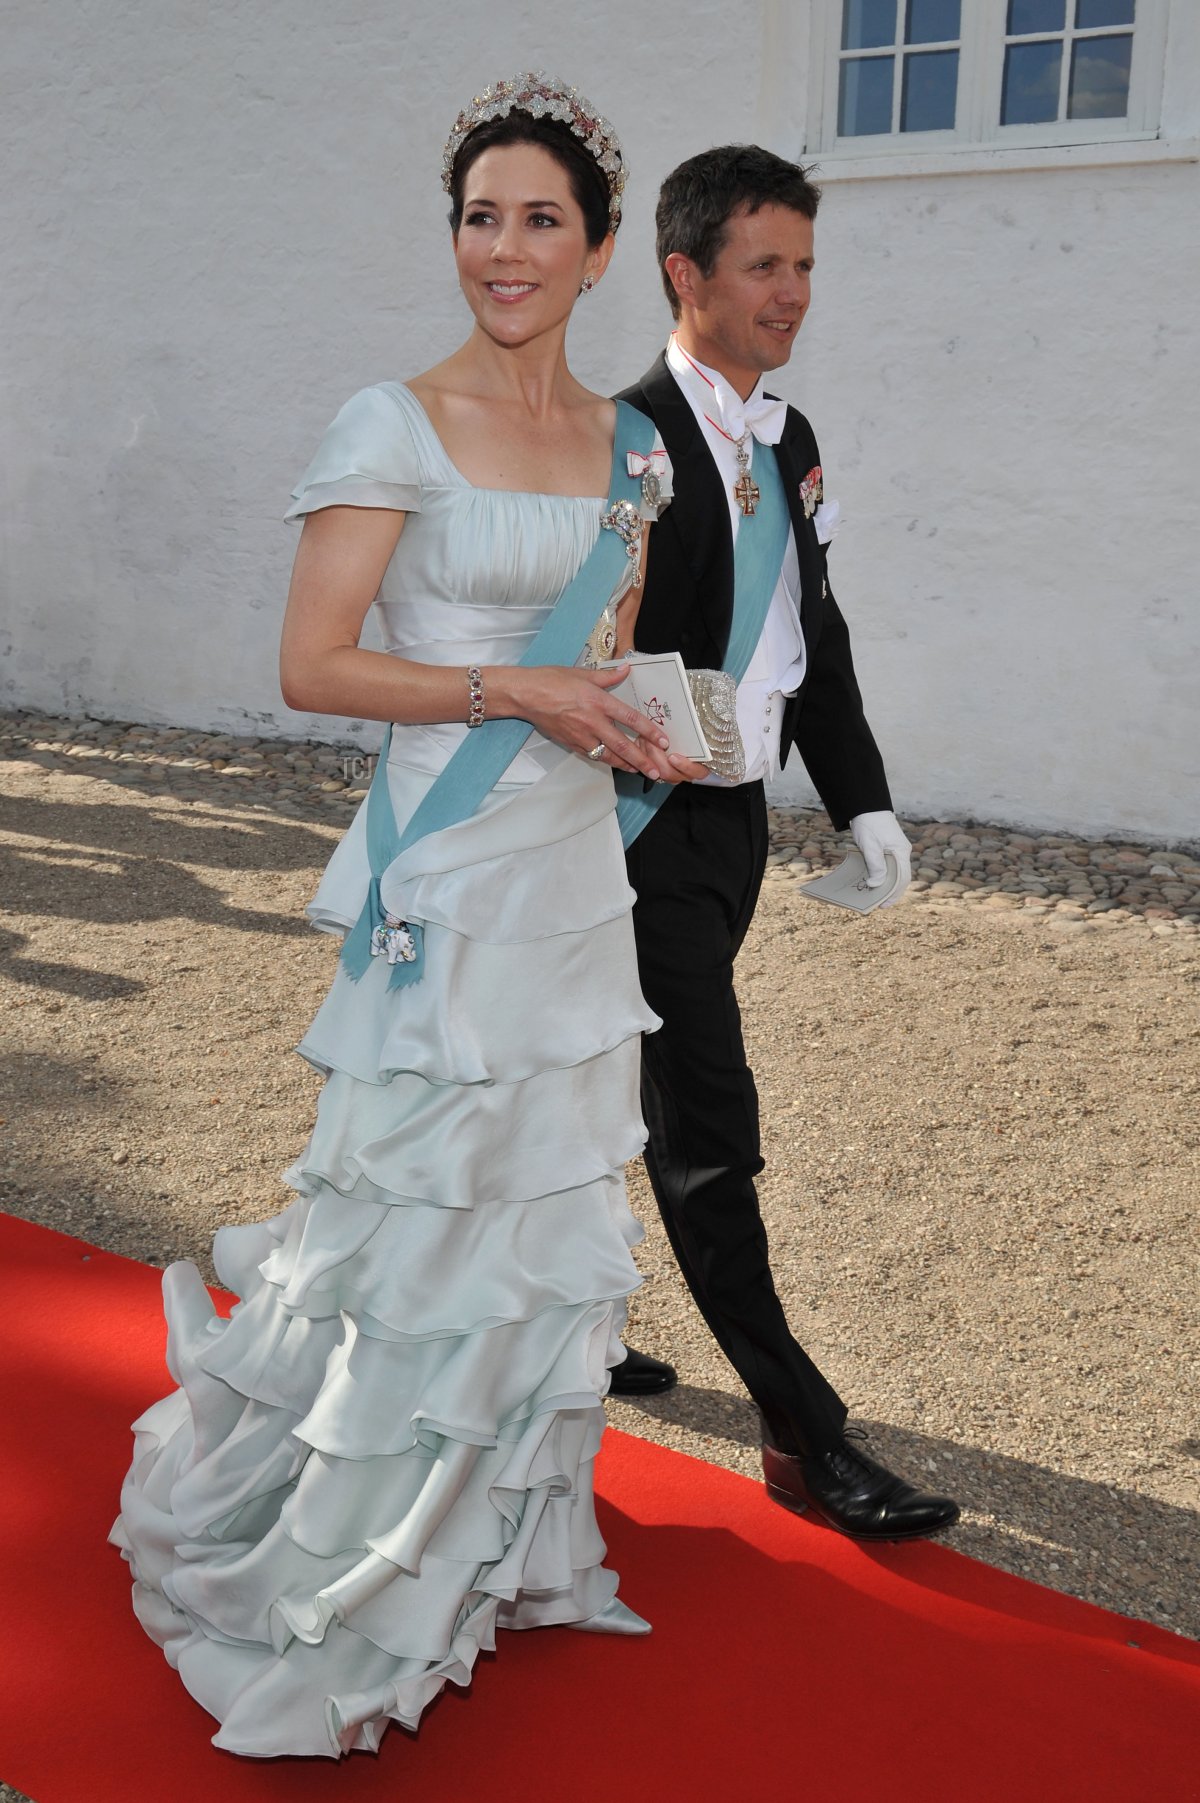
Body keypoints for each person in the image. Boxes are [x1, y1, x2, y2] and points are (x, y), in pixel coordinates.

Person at [110, 74, 697, 1760]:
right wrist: (509, 683)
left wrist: (654, 718)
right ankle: (349, 1559)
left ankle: (491, 1539)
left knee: (529, 1202)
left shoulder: (635, 447)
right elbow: (312, 665)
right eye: (476, 216)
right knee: (418, 1205)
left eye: (537, 221)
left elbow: (604, 659)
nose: (500, 250)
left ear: (600, 256)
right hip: (443, 870)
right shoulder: (391, 419)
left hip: (571, 876)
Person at [612, 145, 960, 1542]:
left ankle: (562, 1330)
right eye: (765, 264)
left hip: (737, 828)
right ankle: (806, 1439)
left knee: (604, 1097)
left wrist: (862, 798)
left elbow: (813, 642)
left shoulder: (791, 436)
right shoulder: (623, 436)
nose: (794, 291)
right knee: (707, 1127)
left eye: (806, 264)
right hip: (628, 830)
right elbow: (582, 649)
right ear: (684, 274)